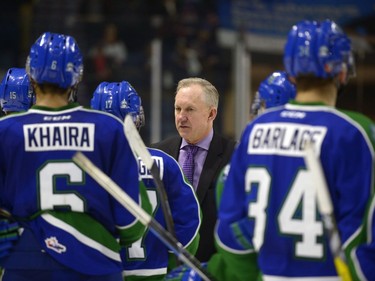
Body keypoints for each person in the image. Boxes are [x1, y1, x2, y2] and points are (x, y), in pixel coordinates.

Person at [166, 19, 375, 280]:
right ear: (343, 72)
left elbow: (231, 231)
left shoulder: (256, 131)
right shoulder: (354, 131)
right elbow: (366, 229)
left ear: (292, 71)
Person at [0, 31, 151, 281]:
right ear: (76, 77)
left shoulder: (6, 132)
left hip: (25, 265)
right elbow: (132, 221)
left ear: (31, 75)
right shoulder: (108, 129)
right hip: (95, 262)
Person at [90, 80, 202, 281]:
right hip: (153, 272)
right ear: (137, 118)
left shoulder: (84, 162)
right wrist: (170, 261)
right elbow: (189, 221)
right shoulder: (163, 163)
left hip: (99, 272)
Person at [151, 77, 236, 262]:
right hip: (167, 266)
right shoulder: (157, 153)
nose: (181, 116)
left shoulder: (234, 156)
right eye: (178, 109)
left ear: (211, 114)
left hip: (211, 267)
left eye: (190, 109)